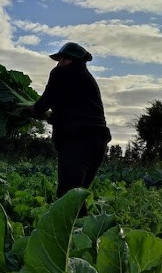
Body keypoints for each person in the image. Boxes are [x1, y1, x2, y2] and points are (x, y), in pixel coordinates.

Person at [29, 42, 111, 201]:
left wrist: (30, 110)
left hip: (78, 141)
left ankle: (70, 226)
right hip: (98, 143)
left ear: (69, 60)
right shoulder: (88, 79)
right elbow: (70, 109)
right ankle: (81, 226)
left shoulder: (61, 73)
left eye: (61, 59)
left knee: (67, 197)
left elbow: (42, 106)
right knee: (76, 198)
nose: (58, 63)